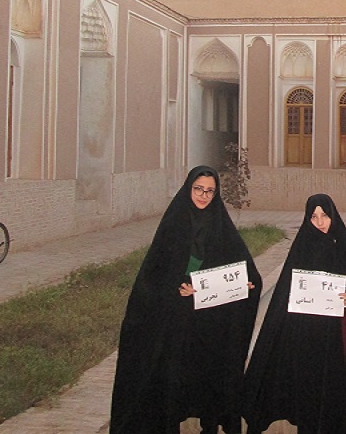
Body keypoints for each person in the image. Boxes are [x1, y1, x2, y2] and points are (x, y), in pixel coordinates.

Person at [110, 165, 262, 434]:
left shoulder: (221, 227)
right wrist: (178, 288)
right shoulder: (173, 225)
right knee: (173, 379)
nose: (204, 196)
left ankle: (209, 425)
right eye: (198, 189)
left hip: (209, 324)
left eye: (210, 191)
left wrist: (245, 285)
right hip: (177, 321)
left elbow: (244, 271)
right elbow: (155, 274)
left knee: (207, 377)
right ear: (188, 189)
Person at [243, 194, 346, 434]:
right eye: (314, 216)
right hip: (306, 338)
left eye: (325, 215)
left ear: (333, 217)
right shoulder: (301, 250)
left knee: (334, 394)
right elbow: (284, 296)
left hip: (336, 338)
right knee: (308, 398)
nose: (320, 222)